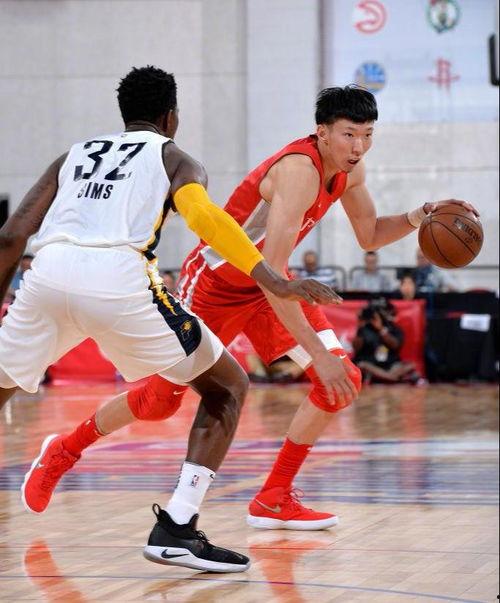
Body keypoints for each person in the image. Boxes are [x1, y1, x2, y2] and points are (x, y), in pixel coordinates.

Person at [23, 85, 478, 531]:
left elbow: (370, 234)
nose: (358, 147)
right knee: (160, 401)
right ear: (322, 133)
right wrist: (316, 353)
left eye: (367, 135)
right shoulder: (298, 171)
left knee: (341, 380)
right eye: (348, 135)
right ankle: (64, 449)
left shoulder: (349, 172)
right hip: (218, 284)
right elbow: (273, 271)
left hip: (270, 286)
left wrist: (421, 216)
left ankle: (274, 497)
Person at [0, 66, 337, 573]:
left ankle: (69, 454)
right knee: (226, 388)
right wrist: (273, 277)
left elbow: (11, 235)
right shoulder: (173, 157)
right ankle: (177, 529)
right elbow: (203, 218)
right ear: (171, 116)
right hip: (118, 282)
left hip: (46, 275)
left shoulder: (73, 155)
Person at [352, 299, 421, 384]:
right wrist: (360, 326)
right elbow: (356, 348)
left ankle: (386, 377)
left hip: (390, 365)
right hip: (370, 365)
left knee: (410, 365)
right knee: (362, 365)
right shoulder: (364, 329)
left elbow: (395, 345)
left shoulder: (394, 329)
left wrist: (381, 329)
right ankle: (392, 378)